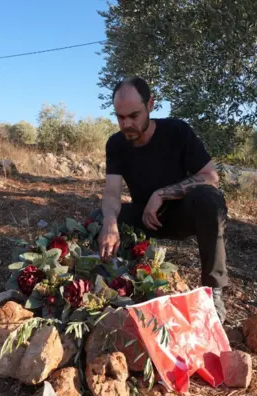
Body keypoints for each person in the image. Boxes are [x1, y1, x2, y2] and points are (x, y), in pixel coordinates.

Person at [97, 76, 229, 322]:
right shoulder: (116, 144)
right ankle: (111, 279)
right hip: (144, 220)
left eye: (133, 116)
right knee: (102, 217)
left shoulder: (177, 131)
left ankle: (213, 291)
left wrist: (161, 194)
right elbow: (112, 193)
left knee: (210, 199)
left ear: (150, 105)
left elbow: (211, 175)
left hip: (179, 215)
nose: (126, 124)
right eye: (120, 117)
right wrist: (110, 223)